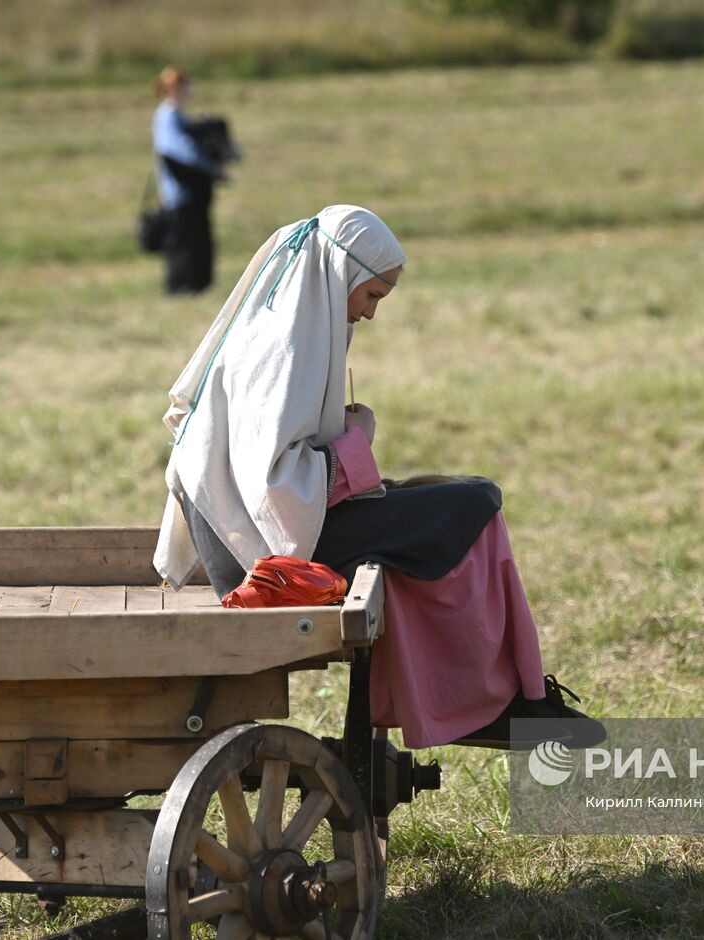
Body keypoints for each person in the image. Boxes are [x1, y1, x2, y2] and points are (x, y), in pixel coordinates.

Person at [153, 204, 604, 750]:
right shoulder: (284, 347)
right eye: (370, 296)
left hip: (257, 543)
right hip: (266, 563)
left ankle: (504, 698)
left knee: (455, 499)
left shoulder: (283, 327)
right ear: (339, 273)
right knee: (474, 504)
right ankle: (491, 704)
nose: (368, 314)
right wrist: (356, 440)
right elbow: (274, 490)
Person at [152, 66, 226, 295]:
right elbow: (177, 149)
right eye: (183, 86)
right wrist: (207, 162)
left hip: (189, 190)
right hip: (179, 191)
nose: (188, 90)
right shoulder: (167, 115)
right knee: (182, 240)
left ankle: (196, 284)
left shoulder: (177, 115)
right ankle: (181, 286)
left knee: (196, 238)